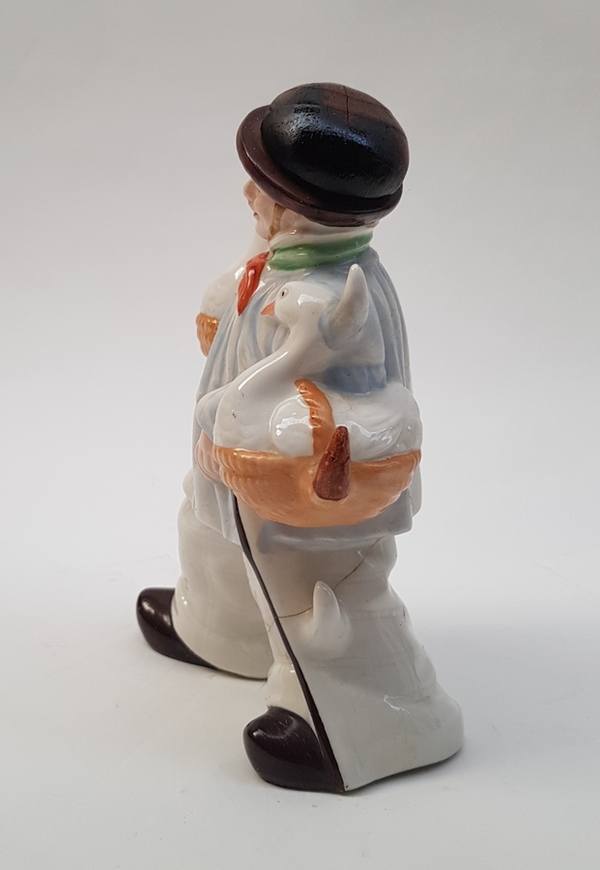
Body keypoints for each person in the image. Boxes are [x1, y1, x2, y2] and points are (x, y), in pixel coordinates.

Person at [137, 83, 463, 793]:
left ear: (297, 210)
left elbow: (358, 397)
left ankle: (373, 724)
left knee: (323, 590)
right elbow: (250, 279)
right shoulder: (293, 258)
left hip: (304, 486)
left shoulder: (336, 295)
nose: (249, 196)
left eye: (263, 188)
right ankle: (222, 629)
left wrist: (262, 432)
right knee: (209, 531)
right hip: (232, 460)